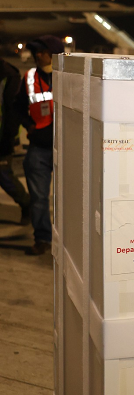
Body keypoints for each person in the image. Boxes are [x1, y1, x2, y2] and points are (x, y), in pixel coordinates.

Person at [15, 35, 64, 255]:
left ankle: (70, 242)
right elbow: (17, 107)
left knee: (71, 198)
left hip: (67, 147)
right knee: (38, 199)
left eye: (42, 51)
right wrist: (29, 125)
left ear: (54, 54)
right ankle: (42, 239)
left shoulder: (69, 76)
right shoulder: (29, 77)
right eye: (36, 51)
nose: (38, 55)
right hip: (39, 147)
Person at [1, 57, 31, 225]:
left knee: (4, 176)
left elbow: (13, 111)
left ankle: (26, 204)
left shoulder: (9, 75)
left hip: (3, 137)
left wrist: (9, 137)